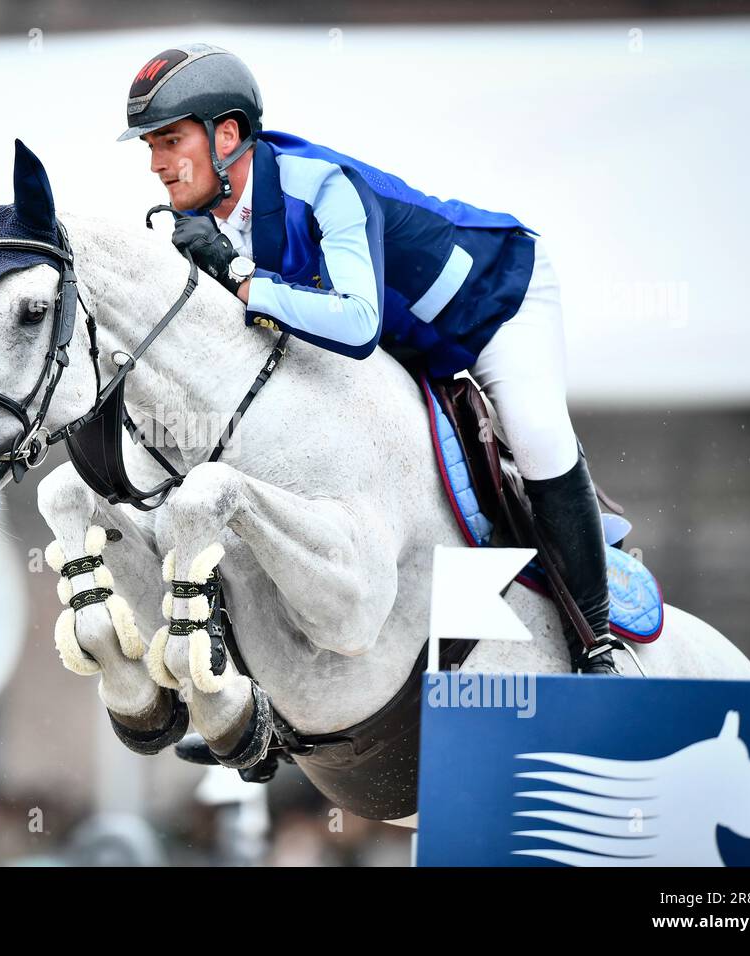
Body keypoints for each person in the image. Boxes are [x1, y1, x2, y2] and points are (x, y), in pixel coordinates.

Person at [118, 43, 623, 674]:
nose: (158, 165)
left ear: (227, 135)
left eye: (169, 141)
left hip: (494, 306)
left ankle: (597, 642)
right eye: (150, 147)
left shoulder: (323, 186)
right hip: (408, 348)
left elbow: (357, 324)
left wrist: (239, 278)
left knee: (538, 434)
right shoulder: (206, 223)